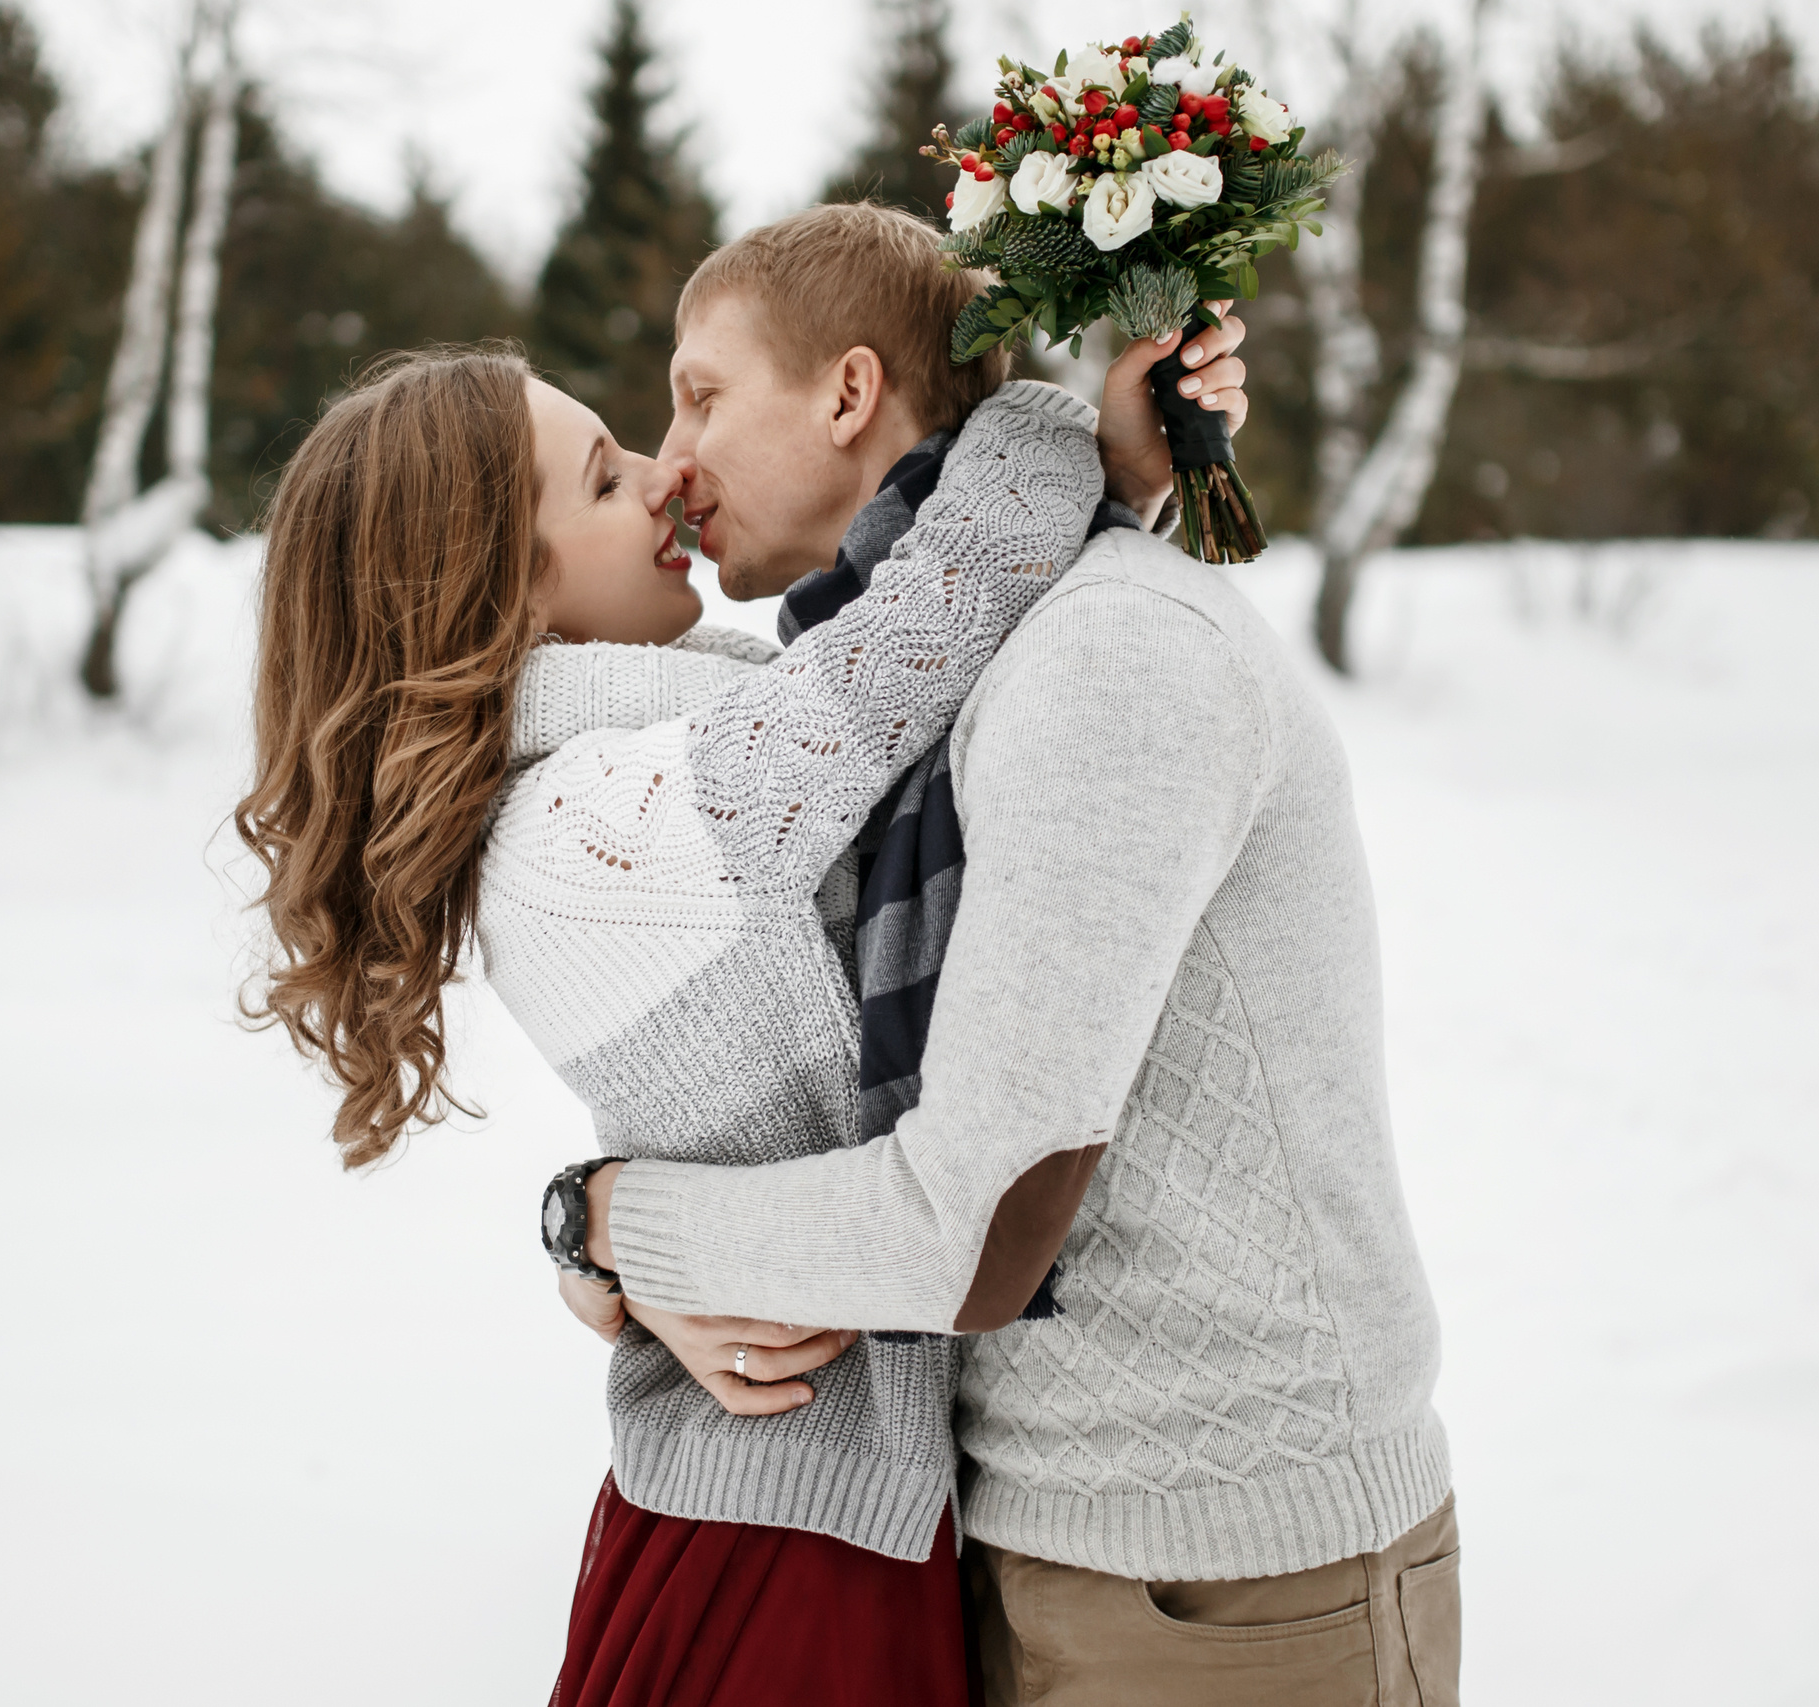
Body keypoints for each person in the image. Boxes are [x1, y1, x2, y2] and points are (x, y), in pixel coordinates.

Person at [237, 205, 1251, 1706]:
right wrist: (1069, 440)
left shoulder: (665, 731)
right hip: (779, 1543)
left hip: (838, 1501)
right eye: (605, 477)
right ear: (501, 589)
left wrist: (602, 1227)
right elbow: (917, 640)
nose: (665, 474)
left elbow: (923, 702)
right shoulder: (591, 821)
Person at [540, 206, 1458, 1706]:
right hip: (1021, 1541)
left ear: (848, 392)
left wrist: (615, 1223)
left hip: (1229, 1575)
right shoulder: (917, 675)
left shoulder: (1105, 650)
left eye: (701, 395)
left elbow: (965, 1225)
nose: (673, 457)